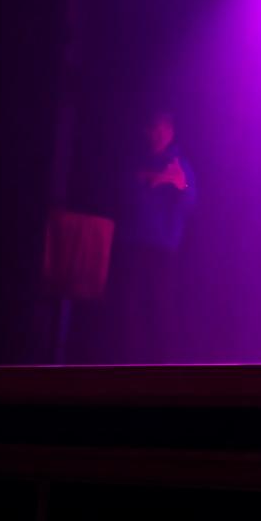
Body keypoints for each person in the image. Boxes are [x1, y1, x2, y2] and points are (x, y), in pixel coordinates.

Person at [108, 108, 193, 362]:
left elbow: (191, 201)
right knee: (128, 309)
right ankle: (128, 366)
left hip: (163, 249)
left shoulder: (179, 164)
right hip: (132, 245)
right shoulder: (134, 161)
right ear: (146, 131)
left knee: (160, 309)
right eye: (154, 128)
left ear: (171, 132)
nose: (158, 134)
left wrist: (180, 184)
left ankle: (164, 367)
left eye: (163, 129)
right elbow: (121, 196)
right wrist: (148, 179)